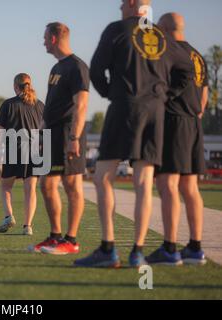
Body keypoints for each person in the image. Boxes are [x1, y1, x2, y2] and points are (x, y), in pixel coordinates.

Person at [75, 0, 194, 268]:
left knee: (103, 176)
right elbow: (187, 69)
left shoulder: (117, 29)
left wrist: (109, 93)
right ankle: (138, 252)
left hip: (125, 106)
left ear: (131, 4)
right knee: (144, 183)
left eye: (121, 4)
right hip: (155, 112)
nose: (119, 9)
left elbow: (95, 69)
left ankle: (108, 249)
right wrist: (164, 95)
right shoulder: (162, 35)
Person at [146, 13, 209, 266]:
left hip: (173, 121)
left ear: (164, 29)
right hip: (194, 122)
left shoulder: (167, 51)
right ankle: (195, 247)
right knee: (190, 188)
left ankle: (170, 248)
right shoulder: (198, 57)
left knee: (167, 184)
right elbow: (204, 95)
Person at [28, 22, 90, 255]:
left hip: (69, 132)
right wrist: (41, 132)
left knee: (72, 185)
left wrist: (74, 136)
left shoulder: (77, 66)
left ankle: (71, 240)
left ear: (54, 38)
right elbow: (51, 105)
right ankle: (55, 237)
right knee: (47, 185)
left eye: (45, 37)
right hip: (52, 133)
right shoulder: (56, 69)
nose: (43, 41)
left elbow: (81, 104)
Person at [0, 73, 44, 236]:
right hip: (35, 151)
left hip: (13, 150)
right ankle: (27, 226)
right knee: (30, 190)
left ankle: (9, 216)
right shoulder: (40, 105)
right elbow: (45, 132)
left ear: (15, 86)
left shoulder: (8, 104)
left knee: (6, 187)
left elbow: (0, 132)